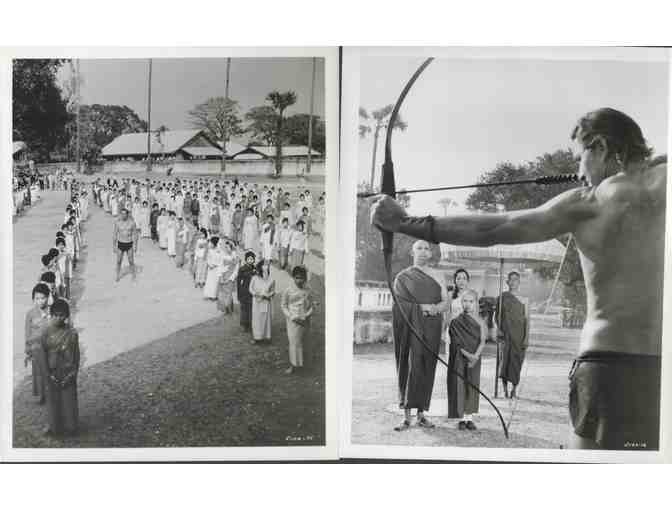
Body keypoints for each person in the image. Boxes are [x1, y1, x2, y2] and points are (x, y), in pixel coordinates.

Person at [371, 108, 666, 450]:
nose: (578, 171)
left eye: (578, 157)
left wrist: (405, 222)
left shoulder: (589, 203)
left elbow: (496, 227)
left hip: (609, 364)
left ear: (598, 146)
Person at [391, 240, 450, 431]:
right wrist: (419, 309)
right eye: (419, 248)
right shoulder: (402, 277)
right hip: (410, 329)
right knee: (410, 366)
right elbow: (398, 306)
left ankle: (422, 413)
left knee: (426, 367)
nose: (424, 252)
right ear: (412, 252)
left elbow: (445, 303)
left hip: (431, 327)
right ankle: (406, 415)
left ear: (431, 254)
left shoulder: (439, 275)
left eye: (427, 249)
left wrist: (433, 309)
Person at [448, 289, 497, 430]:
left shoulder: (481, 322)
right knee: (460, 385)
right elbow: (456, 343)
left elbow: (482, 341)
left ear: (476, 303)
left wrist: (475, 356)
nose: (467, 304)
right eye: (465, 301)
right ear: (461, 302)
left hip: (475, 358)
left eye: (471, 301)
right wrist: (468, 356)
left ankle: (470, 418)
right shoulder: (455, 322)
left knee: (472, 385)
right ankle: (462, 418)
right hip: (460, 358)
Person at [31, 299, 80, 436]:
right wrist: (48, 375)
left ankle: (71, 425)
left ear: (67, 316)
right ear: (51, 315)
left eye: (63, 315)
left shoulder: (72, 333)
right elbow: (41, 356)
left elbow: (76, 356)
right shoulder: (44, 333)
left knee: (69, 401)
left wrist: (73, 373)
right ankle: (53, 426)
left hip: (67, 373)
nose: (59, 318)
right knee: (53, 402)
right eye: (56, 315)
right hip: (51, 373)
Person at [496, 271, 530, 399]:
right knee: (504, 361)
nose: (513, 282)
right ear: (507, 282)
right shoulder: (502, 297)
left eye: (516, 279)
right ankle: (504, 389)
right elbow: (497, 317)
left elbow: (527, 320)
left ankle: (514, 389)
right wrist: (499, 329)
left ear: (519, 282)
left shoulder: (525, 300)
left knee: (517, 362)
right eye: (511, 279)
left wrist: (526, 338)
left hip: (519, 336)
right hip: (506, 335)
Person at [280, 266, 315, 374]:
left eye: (302, 278)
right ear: (293, 277)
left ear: (305, 278)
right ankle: (293, 365)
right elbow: (283, 305)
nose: (299, 280)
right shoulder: (288, 290)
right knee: (294, 342)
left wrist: (308, 314)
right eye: (297, 278)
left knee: (304, 341)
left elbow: (312, 305)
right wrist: (291, 317)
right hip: (293, 320)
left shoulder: (308, 290)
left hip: (305, 319)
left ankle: (304, 364)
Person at [25, 283, 51, 405]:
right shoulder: (30, 314)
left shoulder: (51, 311)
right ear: (33, 299)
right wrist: (28, 349)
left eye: (43, 298)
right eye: (37, 298)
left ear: (48, 297)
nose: (40, 301)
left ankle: (51, 393)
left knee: (50, 370)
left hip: (50, 347)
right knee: (39, 372)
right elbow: (27, 332)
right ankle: (42, 395)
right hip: (36, 348)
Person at [249, 259, 276, 344]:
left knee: (265, 319)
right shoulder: (254, 278)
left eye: (267, 265)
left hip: (266, 302)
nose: (266, 267)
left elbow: (273, 291)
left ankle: (266, 337)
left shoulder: (271, 279)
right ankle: (257, 337)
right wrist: (256, 294)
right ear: (260, 267)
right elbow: (250, 289)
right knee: (256, 319)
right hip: (257, 302)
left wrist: (269, 295)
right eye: (264, 265)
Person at [112, 207, 138, 282]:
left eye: (124, 214)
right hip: (120, 243)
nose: (123, 215)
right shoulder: (118, 223)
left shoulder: (132, 223)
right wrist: (114, 246)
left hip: (129, 243)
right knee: (119, 261)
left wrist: (136, 245)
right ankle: (117, 275)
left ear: (127, 214)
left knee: (131, 261)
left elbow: (135, 234)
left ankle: (133, 275)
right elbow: (114, 234)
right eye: (122, 214)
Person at [217, 240, 239, 314]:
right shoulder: (223, 255)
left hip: (230, 276)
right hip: (224, 275)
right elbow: (220, 266)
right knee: (222, 293)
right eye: (225, 247)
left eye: (228, 247)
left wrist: (231, 278)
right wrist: (220, 276)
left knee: (229, 293)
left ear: (231, 248)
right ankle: (225, 308)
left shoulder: (235, 256)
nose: (226, 249)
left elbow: (236, 269)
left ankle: (228, 307)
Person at [236, 251, 256, 332]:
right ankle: (244, 324)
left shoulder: (255, 269)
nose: (251, 261)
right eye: (249, 259)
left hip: (252, 292)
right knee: (244, 309)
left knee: (251, 308)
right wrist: (239, 294)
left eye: (252, 259)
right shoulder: (242, 269)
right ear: (246, 260)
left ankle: (251, 324)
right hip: (244, 291)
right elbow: (239, 281)